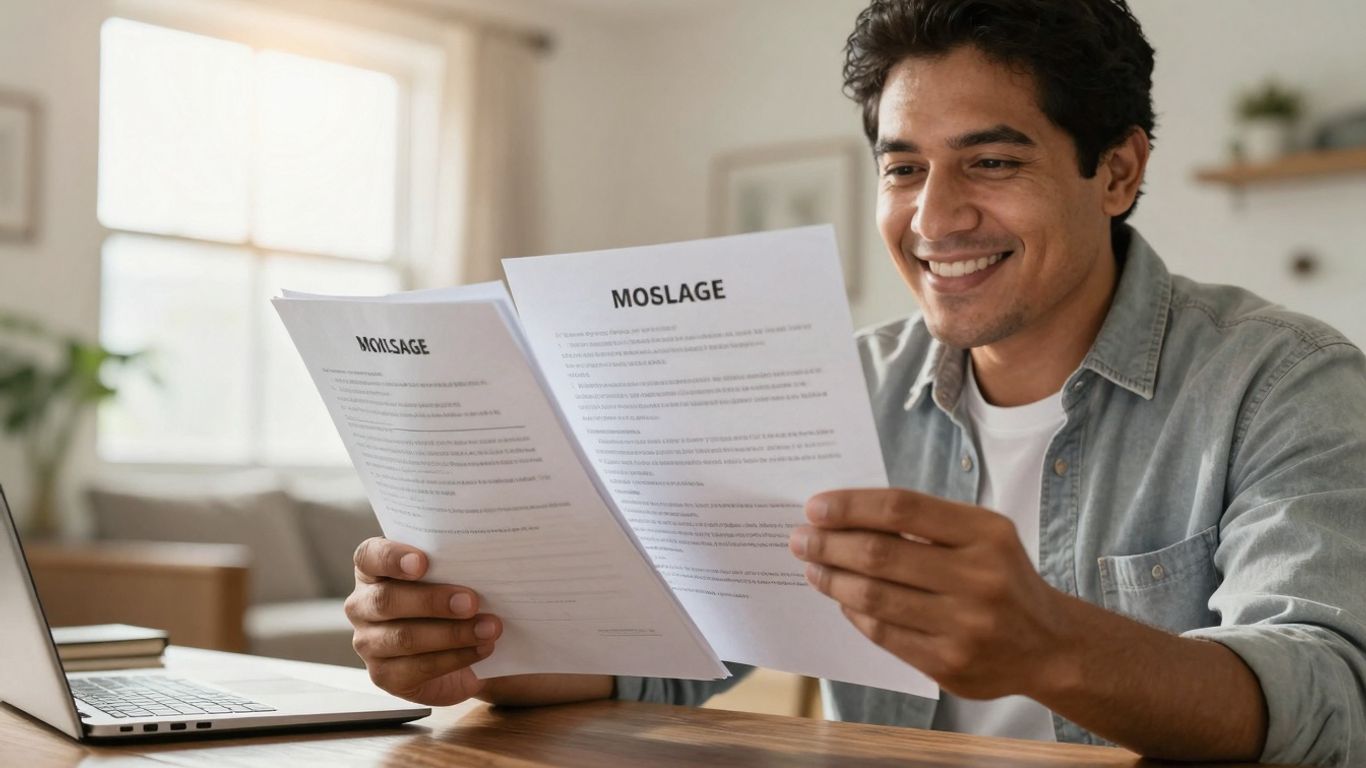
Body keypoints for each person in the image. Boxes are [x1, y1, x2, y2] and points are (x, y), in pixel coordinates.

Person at [344, 1, 1366, 764]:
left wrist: (1051, 645)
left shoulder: (1286, 383)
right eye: (902, 167)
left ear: (1115, 171)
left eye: (990, 164)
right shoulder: (842, 387)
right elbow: (672, 654)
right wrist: (477, 651)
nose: (933, 219)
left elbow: (1332, 698)